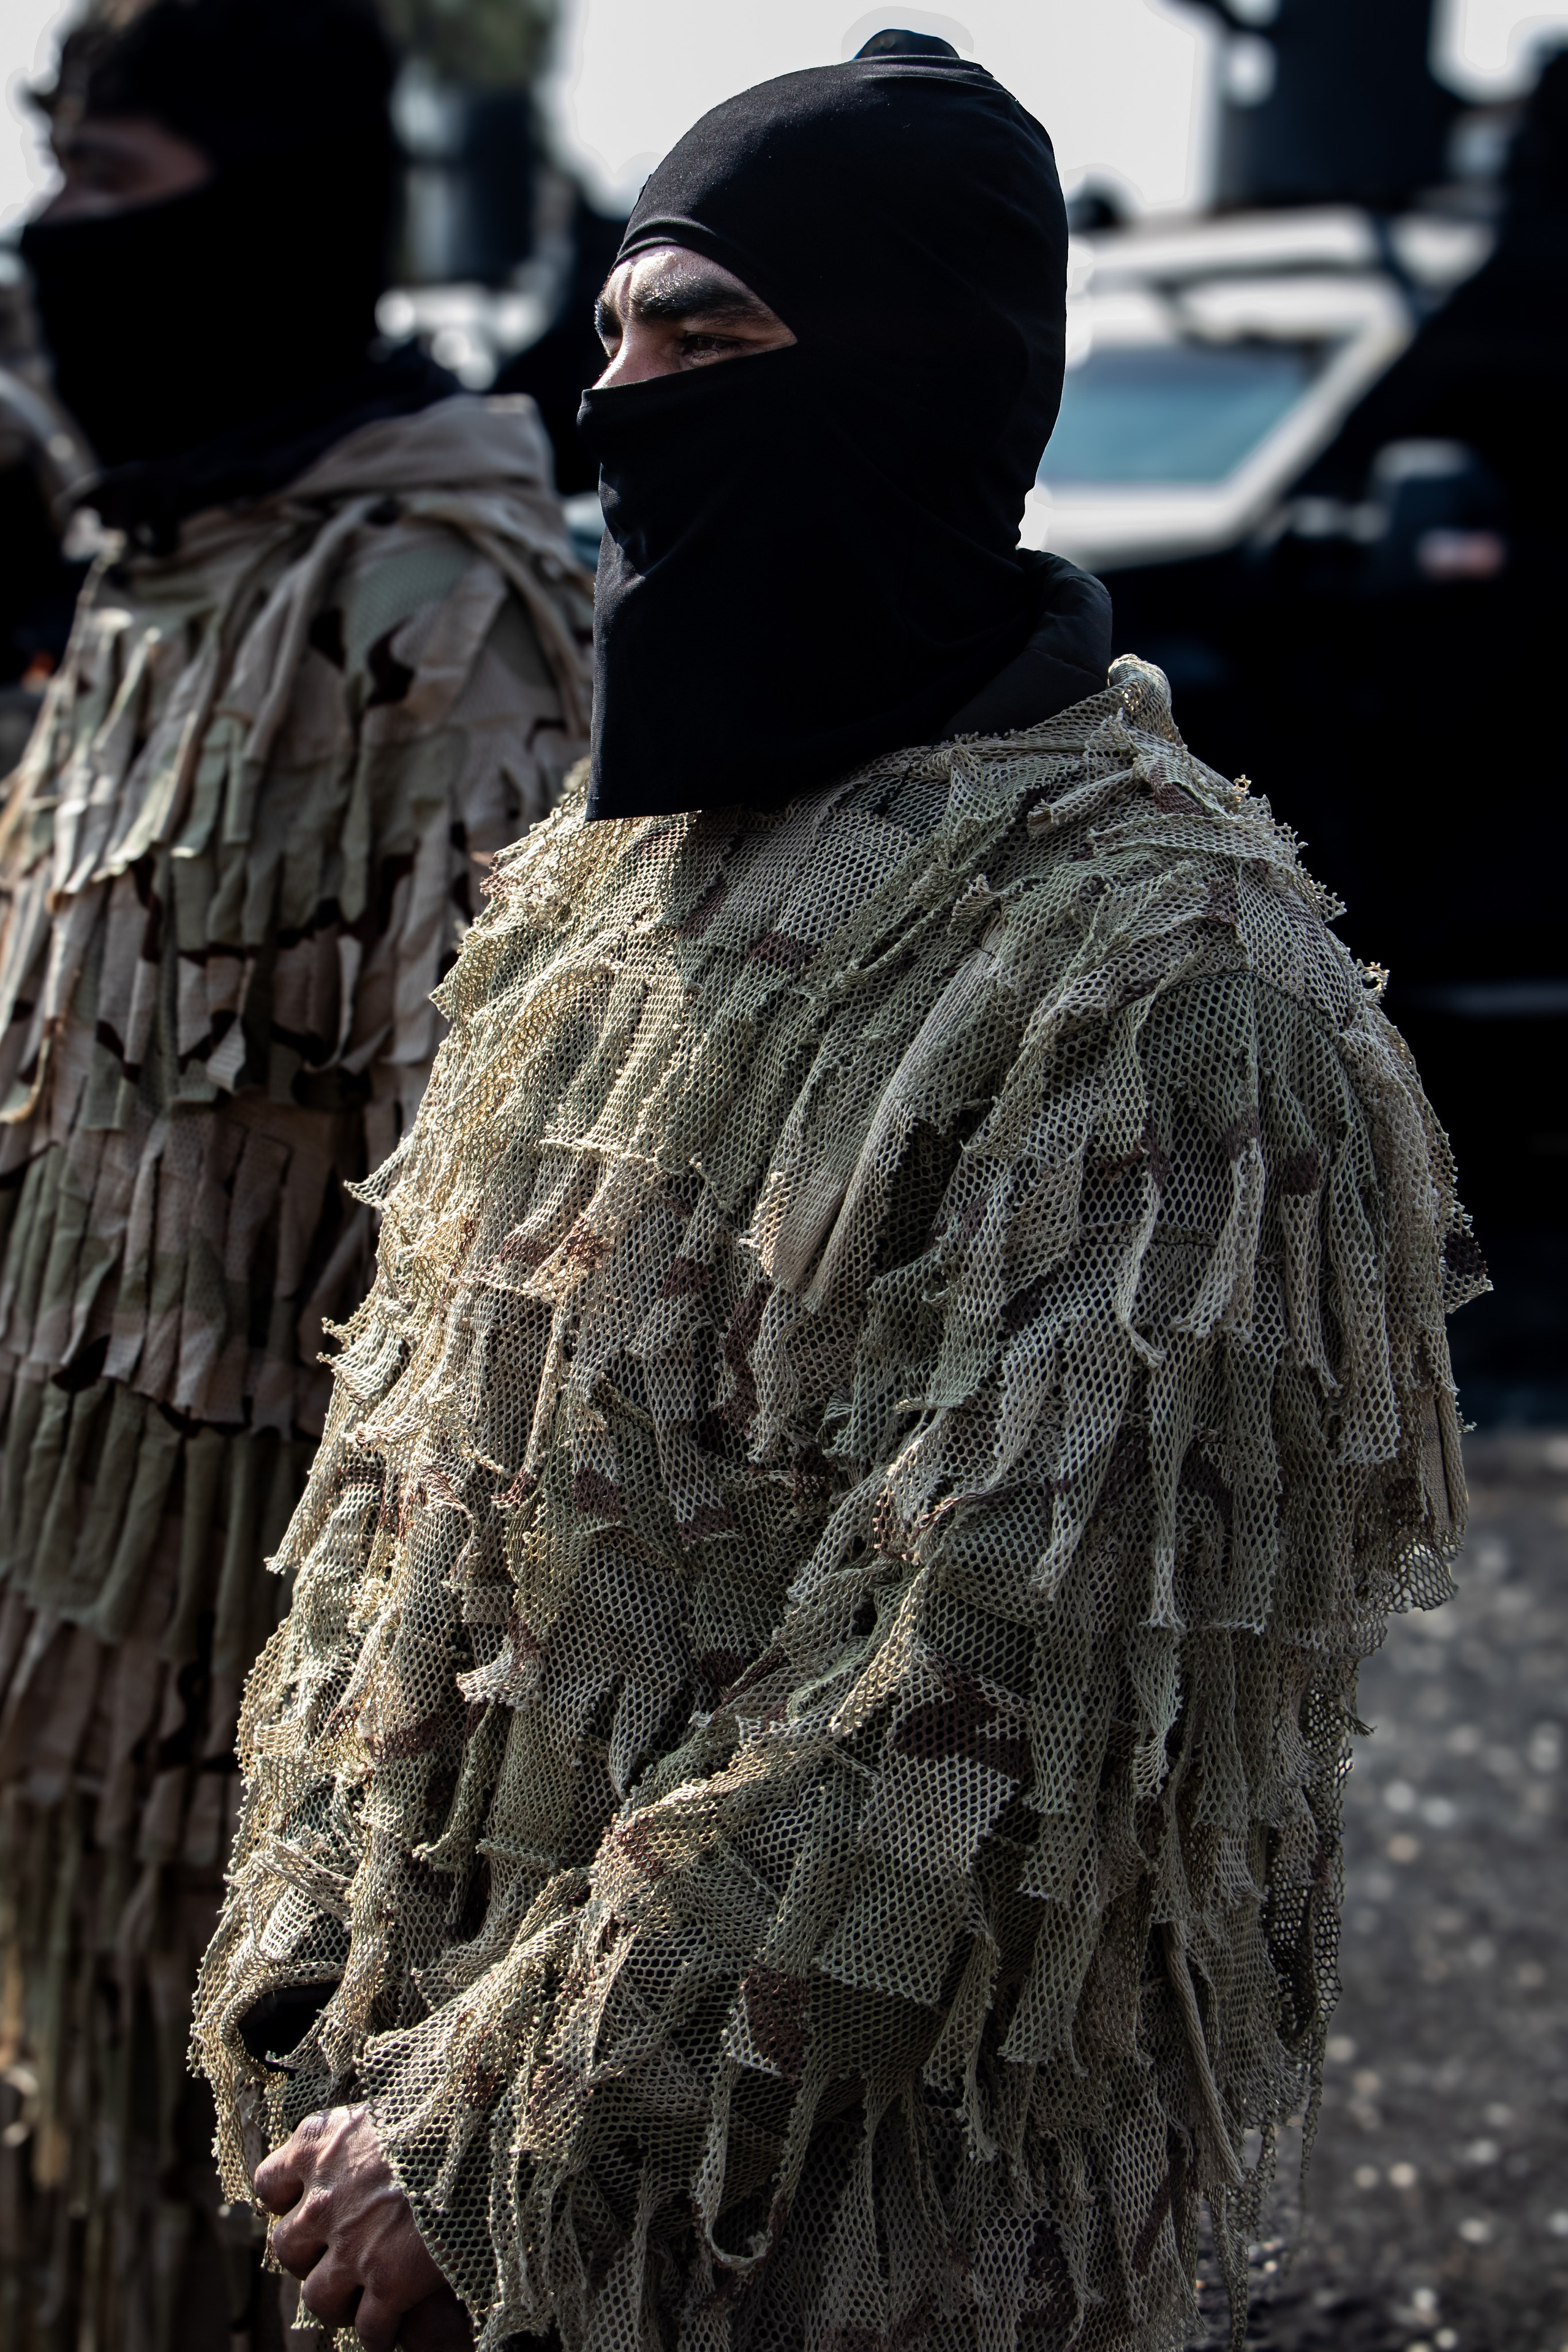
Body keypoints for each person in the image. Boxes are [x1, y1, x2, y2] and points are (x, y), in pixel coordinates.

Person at [195, 36, 1482, 2352]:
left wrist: (505, 2139)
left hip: (826, 2241)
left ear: (917, 375)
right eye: (615, 335)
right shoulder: (617, 877)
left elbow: (987, 1701)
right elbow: (406, 1493)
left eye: (708, 340)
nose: (621, 403)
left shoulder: (1167, 986)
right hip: (409, 2174)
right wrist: (320, 1981)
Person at [0, 0, 590, 2340]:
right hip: (70, 1667)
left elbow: (496, 1293)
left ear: (272, 213)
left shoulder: (431, 622)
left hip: (279, 1743)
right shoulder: (152, 574)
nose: (54, 234)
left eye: (112, 179)